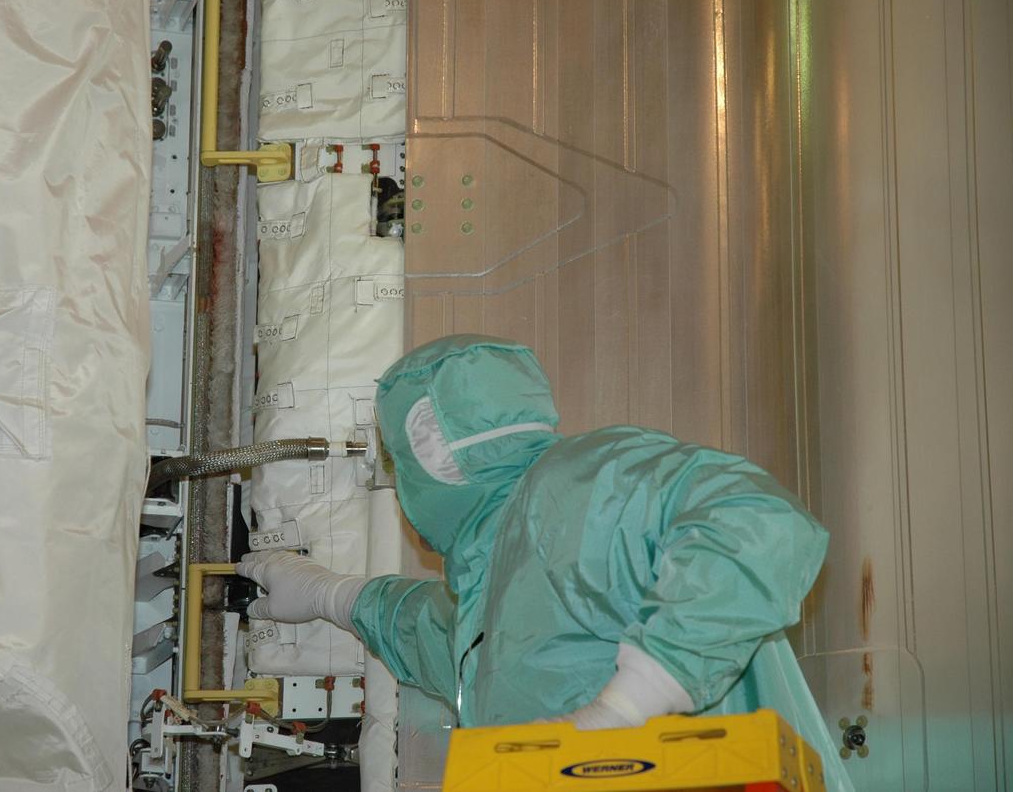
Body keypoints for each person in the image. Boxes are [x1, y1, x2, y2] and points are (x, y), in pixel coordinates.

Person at [237, 335, 851, 788]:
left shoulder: (578, 484)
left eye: (398, 461)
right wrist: (329, 596)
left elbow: (756, 521)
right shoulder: (490, 586)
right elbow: (429, 630)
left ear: (432, 449)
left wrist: (628, 707)